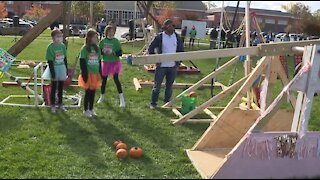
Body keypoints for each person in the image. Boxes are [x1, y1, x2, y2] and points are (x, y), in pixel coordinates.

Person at [148, 19, 184, 109]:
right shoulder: (160, 37)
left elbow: (181, 51)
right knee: (157, 86)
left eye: (173, 26)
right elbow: (151, 48)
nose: (172, 28)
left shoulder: (177, 37)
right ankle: (153, 103)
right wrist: (155, 58)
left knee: (169, 86)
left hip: (172, 66)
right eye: (170, 26)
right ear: (165, 27)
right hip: (161, 66)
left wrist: (178, 62)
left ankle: (166, 103)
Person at [97, 25, 125, 107]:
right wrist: (103, 51)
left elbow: (120, 53)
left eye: (112, 32)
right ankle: (102, 96)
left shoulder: (116, 41)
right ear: (106, 32)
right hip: (105, 62)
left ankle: (122, 98)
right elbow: (99, 52)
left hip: (115, 62)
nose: (111, 33)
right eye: (109, 32)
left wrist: (113, 52)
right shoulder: (102, 41)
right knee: (104, 80)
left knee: (116, 79)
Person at [78, 29, 102, 118]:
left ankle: (91, 109)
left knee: (93, 92)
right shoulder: (84, 49)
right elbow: (82, 61)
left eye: (97, 37)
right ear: (89, 38)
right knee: (87, 92)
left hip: (95, 74)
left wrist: (100, 72)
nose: (96, 39)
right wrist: (84, 73)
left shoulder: (97, 49)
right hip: (88, 74)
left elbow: (99, 61)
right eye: (95, 37)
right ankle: (86, 110)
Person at [46, 28, 68, 113]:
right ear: (53, 38)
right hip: (54, 68)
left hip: (61, 67)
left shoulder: (62, 46)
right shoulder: (50, 48)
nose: (59, 38)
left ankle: (60, 104)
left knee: (60, 88)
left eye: (60, 36)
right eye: (57, 36)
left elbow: (65, 58)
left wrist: (65, 69)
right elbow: (50, 61)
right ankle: (53, 105)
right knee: (54, 87)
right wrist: (53, 72)